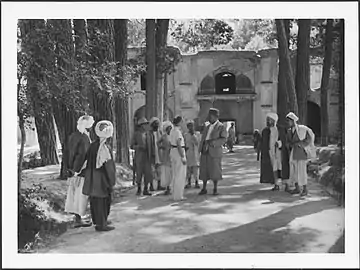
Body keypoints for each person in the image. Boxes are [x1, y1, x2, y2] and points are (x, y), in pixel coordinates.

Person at [82, 120, 116, 232]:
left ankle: (98, 221)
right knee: (103, 200)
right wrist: (111, 180)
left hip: (92, 176)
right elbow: (108, 166)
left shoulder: (93, 146)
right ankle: (102, 224)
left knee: (95, 199)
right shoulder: (104, 148)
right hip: (101, 177)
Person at [64, 115, 94, 228]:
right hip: (81, 170)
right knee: (81, 195)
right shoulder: (84, 138)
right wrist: (77, 169)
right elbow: (82, 155)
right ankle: (79, 218)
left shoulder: (73, 136)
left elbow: (68, 153)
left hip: (73, 169)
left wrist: (70, 168)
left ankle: (77, 218)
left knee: (74, 194)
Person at [198, 108, 227, 195]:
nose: (209, 118)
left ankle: (215, 188)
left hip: (214, 150)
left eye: (210, 116)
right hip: (205, 150)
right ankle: (204, 188)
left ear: (215, 117)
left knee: (215, 170)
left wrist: (213, 143)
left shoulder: (221, 127)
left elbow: (223, 138)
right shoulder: (206, 126)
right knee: (204, 170)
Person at [286, 112, 315, 196]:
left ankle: (305, 189)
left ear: (293, 121)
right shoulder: (289, 131)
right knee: (294, 170)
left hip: (300, 152)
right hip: (293, 152)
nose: (288, 123)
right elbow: (289, 141)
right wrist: (289, 145)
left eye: (289, 121)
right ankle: (297, 188)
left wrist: (300, 144)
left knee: (302, 171)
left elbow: (308, 138)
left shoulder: (302, 130)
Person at [130, 117, 153, 196]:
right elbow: (132, 146)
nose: (146, 126)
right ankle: (139, 188)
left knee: (148, 173)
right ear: (141, 125)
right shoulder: (136, 134)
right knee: (139, 173)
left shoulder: (149, 134)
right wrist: (139, 146)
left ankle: (146, 189)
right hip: (139, 156)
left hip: (147, 155)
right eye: (145, 124)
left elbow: (152, 145)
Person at [259, 112, 282, 190]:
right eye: (267, 120)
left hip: (279, 152)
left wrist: (279, 143)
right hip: (270, 152)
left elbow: (284, 140)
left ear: (274, 120)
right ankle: (276, 184)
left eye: (269, 120)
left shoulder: (280, 129)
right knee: (273, 168)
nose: (268, 121)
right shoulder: (265, 131)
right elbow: (263, 142)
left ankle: (286, 184)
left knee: (281, 168)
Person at [169, 116, 187, 201]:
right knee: (180, 174)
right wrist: (182, 156)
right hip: (178, 152)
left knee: (175, 173)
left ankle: (175, 194)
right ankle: (179, 195)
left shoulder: (172, 131)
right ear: (179, 122)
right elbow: (179, 144)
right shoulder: (178, 132)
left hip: (173, 151)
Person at [147, 117, 166, 192]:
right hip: (152, 153)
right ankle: (151, 185)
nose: (156, 125)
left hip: (159, 153)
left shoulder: (160, 133)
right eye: (155, 124)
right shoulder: (149, 133)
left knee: (159, 170)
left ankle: (159, 185)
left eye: (157, 124)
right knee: (152, 170)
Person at [184, 120, 201, 189]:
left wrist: (193, 135)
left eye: (192, 126)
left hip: (195, 153)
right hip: (188, 153)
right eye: (189, 126)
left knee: (195, 169)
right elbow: (184, 143)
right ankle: (189, 182)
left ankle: (196, 182)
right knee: (188, 168)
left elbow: (197, 143)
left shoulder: (197, 134)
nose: (191, 127)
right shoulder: (185, 135)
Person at [158, 121, 173, 195]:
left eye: (170, 128)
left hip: (172, 155)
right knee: (166, 172)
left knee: (172, 172)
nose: (169, 129)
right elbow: (158, 143)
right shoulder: (163, 136)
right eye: (168, 128)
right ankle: (167, 188)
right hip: (166, 156)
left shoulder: (173, 135)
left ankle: (172, 187)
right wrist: (162, 147)